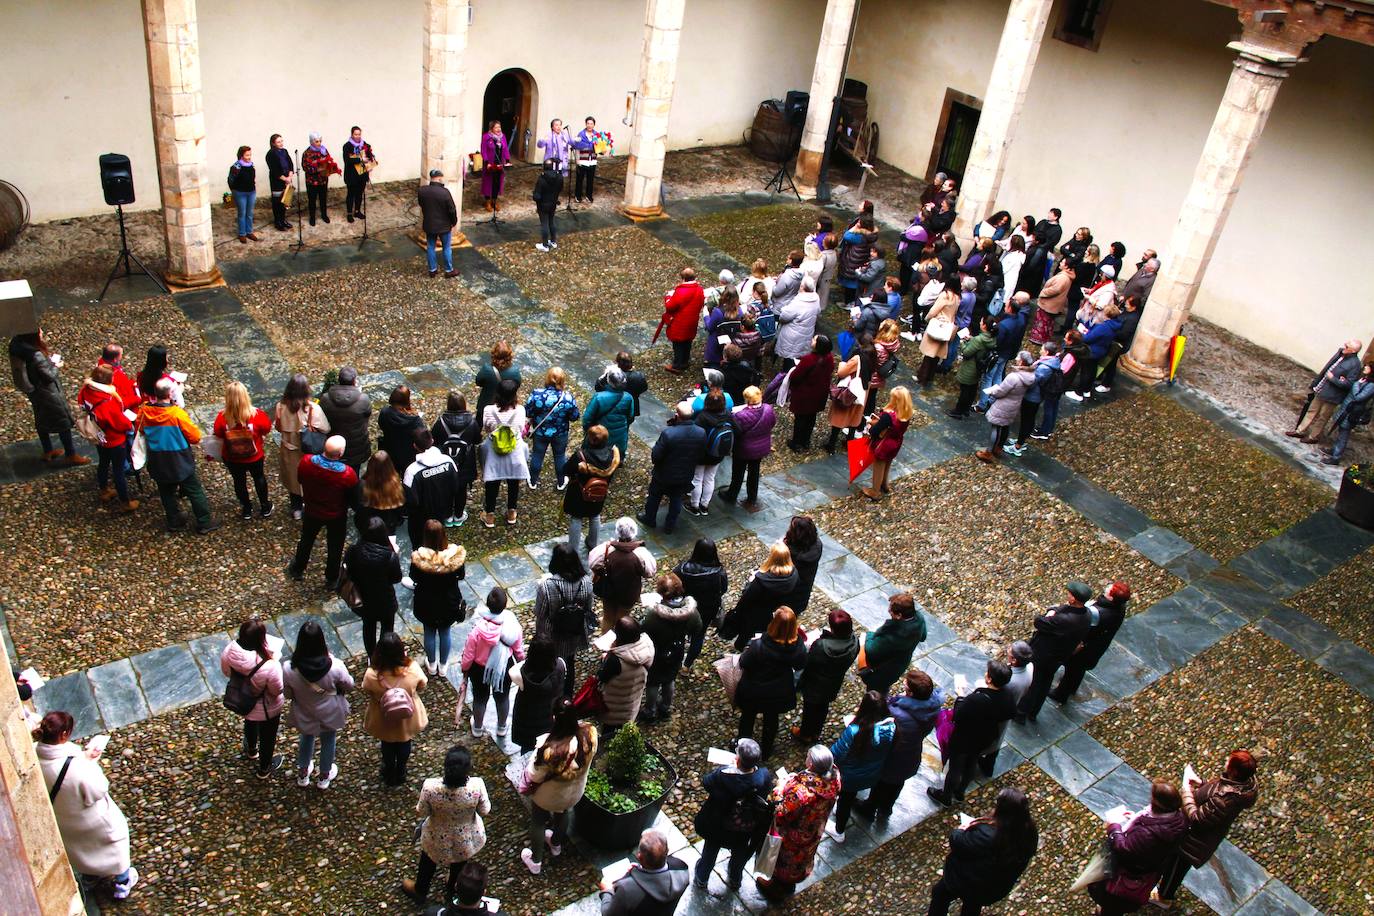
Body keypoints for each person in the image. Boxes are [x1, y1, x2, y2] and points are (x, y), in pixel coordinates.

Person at [32, 711, 138, 900]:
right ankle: (122, 883)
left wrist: (83, 757)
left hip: (63, 818)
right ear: (64, 735)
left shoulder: (33, 755)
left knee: (81, 851)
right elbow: (98, 789)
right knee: (115, 846)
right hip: (90, 820)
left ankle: (90, 877)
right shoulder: (78, 767)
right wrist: (89, 763)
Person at [1153, 751, 1260, 910]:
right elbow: (1213, 793)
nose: (1226, 761)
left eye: (1229, 761)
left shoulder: (1225, 799)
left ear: (1234, 771)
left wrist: (1186, 790)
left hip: (1193, 840)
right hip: (1197, 836)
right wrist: (1200, 783)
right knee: (1173, 863)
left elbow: (1197, 818)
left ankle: (1164, 896)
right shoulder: (1239, 786)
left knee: (1176, 867)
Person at [927, 786, 1039, 916]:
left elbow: (957, 841)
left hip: (964, 880)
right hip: (992, 888)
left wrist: (962, 829)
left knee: (940, 894)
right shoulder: (1029, 833)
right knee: (972, 906)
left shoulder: (988, 834)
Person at [403, 746, 490, 905]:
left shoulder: (430, 787)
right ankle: (453, 887)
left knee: (428, 860)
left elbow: (421, 811)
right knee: (460, 862)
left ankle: (420, 890)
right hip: (466, 836)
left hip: (435, 834)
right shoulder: (477, 786)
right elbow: (485, 810)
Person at [520, 699, 599, 875]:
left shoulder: (549, 750)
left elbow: (534, 774)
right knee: (564, 813)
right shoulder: (590, 734)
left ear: (554, 718)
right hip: (574, 792)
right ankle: (556, 844)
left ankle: (536, 861)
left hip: (547, 796)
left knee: (539, 821)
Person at [856, 669, 944, 822]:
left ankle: (869, 808)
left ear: (910, 692)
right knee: (896, 784)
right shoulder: (933, 708)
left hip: (893, 756)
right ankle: (886, 808)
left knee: (881, 783)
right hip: (911, 754)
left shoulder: (897, 713)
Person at [1088, 782, 1188, 916]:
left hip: (1128, 876)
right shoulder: (1180, 821)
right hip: (1149, 873)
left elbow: (1122, 848)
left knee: (1113, 903)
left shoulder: (1146, 834)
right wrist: (1135, 819)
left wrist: (1114, 826)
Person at [755, 745, 840, 900]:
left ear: (811, 765)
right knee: (802, 857)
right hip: (814, 828)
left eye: (807, 756)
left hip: (794, 834)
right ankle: (788, 883)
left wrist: (781, 787)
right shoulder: (834, 777)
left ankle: (778, 887)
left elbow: (781, 810)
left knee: (787, 860)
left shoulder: (801, 792)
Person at [928, 659, 1016, 807]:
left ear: (989, 679)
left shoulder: (977, 699)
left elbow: (958, 715)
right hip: (984, 737)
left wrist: (961, 696)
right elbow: (1010, 712)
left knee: (955, 768)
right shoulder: (1007, 696)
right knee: (972, 762)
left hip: (964, 738)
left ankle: (946, 796)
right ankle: (960, 791)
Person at [693, 738, 776, 891]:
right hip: (745, 827)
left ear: (737, 760)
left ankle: (702, 878)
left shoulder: (722, 777)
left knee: (710, 851)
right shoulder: (764, 777)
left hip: (719, 825)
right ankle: (735, 879)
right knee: (740, 852)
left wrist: (726, 768)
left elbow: (706, 782)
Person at [137, 377, 219, 533]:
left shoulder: (144, 411)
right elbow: (194, 437)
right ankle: (204, 521)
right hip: (179, 459)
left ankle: (174, 519)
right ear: (170, 394)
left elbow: (139, 429)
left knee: (166, 491)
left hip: (157, 458)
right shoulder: (177, 415)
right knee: (194, 490)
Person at [283, 618, 354, 789]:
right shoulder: (335, 666)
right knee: (329, 739)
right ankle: (324, 776)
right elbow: (349, 685)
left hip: (304, 710)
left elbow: (287, 693)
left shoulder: (288, 668)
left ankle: (303, 773)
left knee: (306, 737)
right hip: (330, 710)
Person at [736, 607, 807, 760]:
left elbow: (744, 662)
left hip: (753, 689)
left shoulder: (759, 645)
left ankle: (742, 749)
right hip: (778, 691)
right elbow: (801, 664)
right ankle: (766, 751)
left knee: (748, 718)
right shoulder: (797, 646)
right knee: (771, 720)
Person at [1017, 581, 1094, 721]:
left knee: (1034, 682)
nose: (1067, 595)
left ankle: (1021, 712)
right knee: (1045, 682)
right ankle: (1033, 712)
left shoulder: (1064, 619)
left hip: (1044, 654)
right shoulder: (1086, 614)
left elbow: (1039, 622)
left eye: (1069, 594)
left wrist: (1050, 613)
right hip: (1060, 655)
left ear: (1073, 599)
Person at [288, 436, 359, 587]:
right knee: (335, 546)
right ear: (340, 453)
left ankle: (298, 568)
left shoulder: (307, 462)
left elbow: (300, 479)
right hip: (336, 514)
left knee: (306, 539)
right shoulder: (347, 474)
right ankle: (332, 578)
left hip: (312, 510)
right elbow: (353, 497)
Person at [827, 690, 896, 842]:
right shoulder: (891, 727)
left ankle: (839, 831)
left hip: (850, 776)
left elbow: (836, 754)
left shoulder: (855, 731)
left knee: (845, 801)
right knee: (849, 798)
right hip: (872, 773)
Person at [220, 617, 285, 777]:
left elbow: (226, 672)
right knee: (268, 737)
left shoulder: (229, 651)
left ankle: (251, 749)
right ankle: (264, 768)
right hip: (267, 708)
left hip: (244, 702)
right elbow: (276, 690)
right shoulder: (270, 665)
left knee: (250, 723)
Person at [9, 330, 85, 466]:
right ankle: (71, 454)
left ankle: (47, 450)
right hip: (47, 392)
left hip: (34, 391)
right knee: (62, 420)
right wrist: (56, 365)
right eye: (39, 331)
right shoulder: (35, 354)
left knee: (41, 417)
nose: (42, 332)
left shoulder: (18, 346)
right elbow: (49, 376)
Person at [363, 631, 428, 787]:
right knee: (405, 741)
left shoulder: (372, 674)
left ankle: (389, 770)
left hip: (383, 716)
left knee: (387, 744)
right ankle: (401, 770)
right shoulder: (412, 669)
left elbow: (366, 689)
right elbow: (423, 684)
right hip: (407, 716)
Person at [1050, 581, 1130, 704]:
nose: (1108, 587)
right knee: (1078, 670)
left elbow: (1082, 623)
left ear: (1111, 597)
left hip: (1085, 648)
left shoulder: (1099, 613)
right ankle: (1072, 687)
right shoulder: (1118, 608)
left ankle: (1061, 694)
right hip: (1096, 646)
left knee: (1073, 668)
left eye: (1110, 589)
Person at [461, 587, 525, 739]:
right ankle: (502, 727)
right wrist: (522, 662)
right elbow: (518, 649)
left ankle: (477, 727)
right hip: (503, 667)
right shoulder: (511, 625)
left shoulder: (478, 630)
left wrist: (465, 669)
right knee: (502, 697)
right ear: (505, 604)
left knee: (480, 698)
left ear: (488, 604)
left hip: (479, 669)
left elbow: (469, 653)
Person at [532, 542, 595, 696]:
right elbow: (588, 608)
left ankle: (551, 694)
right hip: (574, 631)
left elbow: (539, 612)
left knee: (549, 664)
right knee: (570, 662)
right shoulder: (586, 582)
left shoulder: (546, 586)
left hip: (551, 634)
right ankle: (567, 696)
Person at [638, 402, 707, 534]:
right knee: (676, 499)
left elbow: (656, 455)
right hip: (685, 474)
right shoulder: (701, 432)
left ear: (677, 415)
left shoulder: (669, 433)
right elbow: (700, 453)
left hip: (663, 474)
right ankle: (670, 526)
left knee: (654, 497)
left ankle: (650, 519)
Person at [641, 573, 701, 723]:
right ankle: (665, 708)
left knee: (653, 682)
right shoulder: (691, 612)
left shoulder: (654, 615)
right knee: (669, 679)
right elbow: (698, 628)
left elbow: (643, 629)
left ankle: (650, 711)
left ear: (661, 592)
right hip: (676, 649)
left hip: (657, 651)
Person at [791, 608, 858, 743]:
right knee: (823, 707)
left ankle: (805, 734)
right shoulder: (854, 641)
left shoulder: (822, 646)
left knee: (810, 709)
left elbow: (809, 664)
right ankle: (816, 732)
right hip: (833, 682)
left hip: (815, 684)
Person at [719, 542, 800, 651]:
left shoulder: (762, 581)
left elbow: (746, 599)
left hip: (755, 615)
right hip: (775, 613)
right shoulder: (794, 575)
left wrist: (750, 583)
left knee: (746, 632)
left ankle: (740, 646)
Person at [210, 380, 273, 520]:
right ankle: (264, 506)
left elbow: (218, 434)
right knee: (259, 478)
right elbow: (266, 429)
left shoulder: (222, 417)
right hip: (254, 456)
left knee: (239, 481)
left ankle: (247, 508)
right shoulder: (257, 415)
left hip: (232, 457)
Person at [412, 520, 468, 676]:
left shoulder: (419, 559)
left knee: (429, 632)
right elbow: (461, 575)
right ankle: (443, 665)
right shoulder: (454, 557)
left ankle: (431, 664)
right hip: (448, 601)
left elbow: (413, 577)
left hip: (426, 601)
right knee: (445, 632)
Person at [77, 364, 137, 510]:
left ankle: (104, 489)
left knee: (103, 462)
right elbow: (121, 423)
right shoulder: (107, 401)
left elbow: (81, 403)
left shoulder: (86, 390)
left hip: (99, 435)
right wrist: (129, 426)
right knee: (118, 470)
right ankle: (125, 502)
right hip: (114, 440)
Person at [344, 515, 403, 658]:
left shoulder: (353, 551)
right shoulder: (389, 556)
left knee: (368, 627)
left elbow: (349, 572)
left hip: (364, 598)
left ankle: (371, 656)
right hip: (385, 600)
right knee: (387, 628)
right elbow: (396, 578)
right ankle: (384, 655)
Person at [1286, 338, 1364, 444]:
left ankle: (1313, 437)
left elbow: (1349, 384)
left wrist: (1333, 378)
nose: (1345, 345)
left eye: (1348, 345)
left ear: (1353, 351)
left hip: (1333, 395)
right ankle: (1300, 431)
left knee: (1323, 417)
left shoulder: (1355, 365)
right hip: (1322, 388)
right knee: (1311, 411)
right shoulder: (1340, 354)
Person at [275, 373, 330, 519]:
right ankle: (311, 507)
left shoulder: (280, 407)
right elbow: (325, 428)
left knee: (293, 480)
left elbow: (279, 427)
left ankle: (296, 509)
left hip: (289, 450)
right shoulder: (312, 409)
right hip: (308, 451)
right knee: (311, 480)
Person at [598, 828, 689, 915]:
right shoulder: (682, 869)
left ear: (639, 856)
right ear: (667, 851)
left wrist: (606, 890)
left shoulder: (626, 890)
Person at [589, 517, 657, 633]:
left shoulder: (606, 549)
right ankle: (619, 643)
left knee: (608, 618)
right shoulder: (641, 553)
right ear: (634, 532)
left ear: (617, 532)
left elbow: (593, 563)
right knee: (622, 620)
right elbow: (650, 572)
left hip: (608, 591)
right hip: (629, 594)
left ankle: (606, 646)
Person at [480, 379, 529, 528]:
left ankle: (489, 516)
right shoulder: (520, 410)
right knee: (513, 482)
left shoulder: (488, 410)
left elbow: (487, 428)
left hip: (494, 450)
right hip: (514, 450)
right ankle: (512, 512)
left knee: (492, 483)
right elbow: (521, 429)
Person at [714, 384, 774, 508]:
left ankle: (732, 494)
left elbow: (737, 432)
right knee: (754, 472)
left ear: (747, 400)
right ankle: (752, 497)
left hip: (744, 449)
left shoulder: (740, 416)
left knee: (738, 473)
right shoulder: (769, 409)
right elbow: (772, 423)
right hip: (761, 447)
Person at [404, 429, 461, 555]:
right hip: (442, 511)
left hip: (420, 519)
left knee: (419, 548)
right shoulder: (448, 461)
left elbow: (412, 501)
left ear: (414, 446)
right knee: (438, 539)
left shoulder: (412, 471)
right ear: (433, 441)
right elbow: (456, 487)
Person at [564, 424, 619, 553]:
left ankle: (573, 550)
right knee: (594, 516)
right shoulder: (613, 455)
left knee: (576, 518)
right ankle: (593, 543)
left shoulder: (580, 456)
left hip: (578, 493)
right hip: (600, 491)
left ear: (591, 439)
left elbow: (566, 470)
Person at [674, 538, 728, 669]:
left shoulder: (683, 569)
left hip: (685, 607)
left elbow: (673, 586)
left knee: (679, 634)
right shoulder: (719, 572)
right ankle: (687, 666)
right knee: (698, 636)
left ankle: (675, 660)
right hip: (707, 610)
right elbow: (724, 589)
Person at [981, 642, 1033, 776]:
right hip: (1010, 708)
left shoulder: (1009, 682)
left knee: (990, 737)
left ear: (1014, 660)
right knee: (998, 738)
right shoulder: (1030, 669)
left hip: (998, 712)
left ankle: (983, 762)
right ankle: (988, 766)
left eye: (1009, 653)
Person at [860, 592, 928, 694]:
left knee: (876, 691)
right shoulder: (919, 618)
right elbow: (923, 637)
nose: (888, 611)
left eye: (891, 610)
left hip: (883, 670)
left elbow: (871, 650)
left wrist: (867, 636)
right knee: (884, 687)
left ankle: (874, 706)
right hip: (899, 665)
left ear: (899, 615)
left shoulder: (894, 634)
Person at [525, 367, 580, 490]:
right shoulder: (568, 398)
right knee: (560, 456)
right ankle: (561, 482)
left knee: (537, 455)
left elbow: (528, 412)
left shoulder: (537, 394)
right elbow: (574, 417)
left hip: (540, 432)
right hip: (560, 433)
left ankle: (532, 481)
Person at [597, 616, 656, 730]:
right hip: (632, 702)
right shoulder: (647, 647)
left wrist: (605, 658)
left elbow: (602, 677)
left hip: (613, 707)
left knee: (609, 733)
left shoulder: (615, 660)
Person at [976, 351, 1035, 463]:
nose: (1016, 359)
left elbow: (1001, 392)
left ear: (1022, 361)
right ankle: (999, 448)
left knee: (996, 428)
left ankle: (988, 452)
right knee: (1005, 427)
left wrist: (992, 391)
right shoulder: (1030, 376)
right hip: (1015, 404)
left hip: (1004, 404)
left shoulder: (1014, 377)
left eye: (1018, 358)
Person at [510, 638, 566, 753]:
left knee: (527, 752)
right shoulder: (561, 665)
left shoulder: (520, 675)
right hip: (550, 718)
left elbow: (514, 669)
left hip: (527, 723)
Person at [431, 392, 479, 522]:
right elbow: (477, 439)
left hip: (445, 462)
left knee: (445, 489)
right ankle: (458, 515)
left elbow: (434, 439)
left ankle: (447, 515)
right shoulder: (472, 422)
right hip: (466, 462)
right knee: (461, 489)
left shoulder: (440, 422)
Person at [860, 385, 914, 501]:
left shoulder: (888, 416)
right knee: (888, 463)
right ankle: (885, 485)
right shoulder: (906, 413)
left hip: (884, 445)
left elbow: (874, 431)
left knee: (878, 467)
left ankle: (875, 491)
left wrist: (870, 426)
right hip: (896, 442)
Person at [787, 335, 835, 451]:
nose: (812, 340)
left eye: (814, 339)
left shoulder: (809, 359)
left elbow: (795, 376)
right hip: (819, 394)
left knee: (800, 419)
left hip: (805, 395)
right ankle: (806, 441)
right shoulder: (829, 358)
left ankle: (797, 443)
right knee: (811, 418)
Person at [319, 366, 372, 471]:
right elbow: (367, 414)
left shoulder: (325, 398)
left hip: (333, 442)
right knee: (354, 472)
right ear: (354, 381)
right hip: (356, 444)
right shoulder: (363, 399)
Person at [1323, 362, 1374, 465]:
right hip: (1346, 409)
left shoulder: (1371, 385)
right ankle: (1334, 450)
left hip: (1352, 412)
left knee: (1344, 434)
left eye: (1367, 367)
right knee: (1341, 430)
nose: (1365, 367)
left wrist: (1356, 384)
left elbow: (1359, 397)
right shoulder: (1364, 380)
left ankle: (1336, 457)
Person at [583, 366, 636, 461]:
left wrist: (589, 431)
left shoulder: (598, 397)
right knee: (616, 456)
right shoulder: (628, 397)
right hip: (620, 438)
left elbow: (587, 419)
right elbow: (630, 417)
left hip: (600, 435)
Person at [948, 316, 997, 420]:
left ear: (984, 326)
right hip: (979, 368)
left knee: (965, 390)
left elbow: (966, 353)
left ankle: (958, 411)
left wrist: (963, 342)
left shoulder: (979, 340)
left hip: (970, 367)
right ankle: (966, 409)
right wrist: (972, 339)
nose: (979, 322)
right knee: (972, 389)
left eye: (981, 321)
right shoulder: (991, 338)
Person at [917, 277, 960, 387]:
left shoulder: (945, 295)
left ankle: (922, 377)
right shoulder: (957, 298)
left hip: (937, 325)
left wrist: (927, 318)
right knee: (936, 356)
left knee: (929, 354)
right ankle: (930, 376)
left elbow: (934, 310)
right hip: (947, 327)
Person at [662, 267, 706, 374]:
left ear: (683, 278)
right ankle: (685, 361)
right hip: (692, 321)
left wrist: (668, 297)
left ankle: (677, 365)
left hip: (680, 323)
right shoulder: (700, 289)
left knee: (678, 344)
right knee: (688, 342)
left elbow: (670, 306)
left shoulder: (680, 291)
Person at [418, 168, 460, 277]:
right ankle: (448, 270)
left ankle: (432, 270)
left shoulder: (422, 191)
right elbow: (452, 209)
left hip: (429, 224)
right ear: (440, 178)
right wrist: (453, 222)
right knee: (446, 247)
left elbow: (422, 205)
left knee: (430, 246)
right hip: (444, 226)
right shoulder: (444, 192)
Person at [1096, 295, 1143, 392]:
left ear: (1133, 306)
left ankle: (1106, 384)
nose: (1125, 303)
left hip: (1118, 344)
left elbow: (1124, 334)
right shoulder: (1127, 313)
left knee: (1111, 364)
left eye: (1128, 303)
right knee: (1107, 361)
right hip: (1114, 340)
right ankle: (1101, 377)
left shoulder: (1132, 319)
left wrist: (1110, 331)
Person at [358, 449, 406, 537]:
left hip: (368, 525)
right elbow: (400, 508)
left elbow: (359, 506)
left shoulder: (362, 485)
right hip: (389, 525)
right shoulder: (396, 485)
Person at [474, 341, 521, 417]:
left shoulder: (487, 369)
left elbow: (478, 382)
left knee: (479, 422)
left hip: (486, 402)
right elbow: (517, 385)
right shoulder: (515, 371)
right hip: (506, 404)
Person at [571, 115, 610, 202]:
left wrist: (604, 150)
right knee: (579, 180)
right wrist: (577, 161)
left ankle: (589, 196)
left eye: (591, 124)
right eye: (588, 123)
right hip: (582, 160)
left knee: (590, 180)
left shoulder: (597, 135)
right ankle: (578, 196)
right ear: (586, 124)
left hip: (592, 161)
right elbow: (577, 147)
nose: (589, 125)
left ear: (594, 125)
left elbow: (599, 149)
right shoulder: (581, 134)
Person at [300, 132, 336, 225]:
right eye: (316, 141)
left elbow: (329, 160)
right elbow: (305, 167)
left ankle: (324, 215)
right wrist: (318, 168)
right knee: (312, 200)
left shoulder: (324, 150)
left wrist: (329, 168)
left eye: (320, 141)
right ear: (311, 142)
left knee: (323, 199)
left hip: (323, 180)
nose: (319, 143)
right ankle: (312, 217)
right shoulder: (307, 153)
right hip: (312, 181)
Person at [341, 126, 375, 221]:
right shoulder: (347, 146)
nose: (357, 136)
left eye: (359, 134)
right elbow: (347, 160)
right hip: (351, 175)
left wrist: (370, 163)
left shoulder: (365, 145)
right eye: (355, 134)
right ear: (352, 134)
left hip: (362, 174)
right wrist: (360, 158)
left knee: (359, 194)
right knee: (351, 194)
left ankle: (357, 211)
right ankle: (349, 214)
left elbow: (369, 157)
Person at [227, 145, 258, 242]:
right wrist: (234, 190)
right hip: (240, 193)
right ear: (241, 156)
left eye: (250, 155)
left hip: (251, 192)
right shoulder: (237, 166)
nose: (249, 157)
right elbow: (230, 180)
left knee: (250, 213)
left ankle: (249, 232)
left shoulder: (251, 165)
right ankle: (242, 233)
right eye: (247, 155)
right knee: (242, 213)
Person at [532, 158, 564, 252]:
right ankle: (553, 241)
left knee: (544, 224)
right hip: (553, 203)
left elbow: (537, 196)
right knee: (551, 222)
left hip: (543, 205)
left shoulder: (541, 179)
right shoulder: (559, 177)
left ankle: (545, 245)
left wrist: (534, 195)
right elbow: (560, 189)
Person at [266, 133, 293, 231]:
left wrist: (290, 175)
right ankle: (278, 222)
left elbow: (290, 163)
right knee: (277, 203)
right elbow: (274, 170)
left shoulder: (284, 151)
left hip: (287, 180)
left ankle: (283, 219)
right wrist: (285, 179)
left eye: (282, 141)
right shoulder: (270, 154)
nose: (281, 143)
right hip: (277, 182)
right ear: (273, 143)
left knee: (285, 201)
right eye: (278, 142)